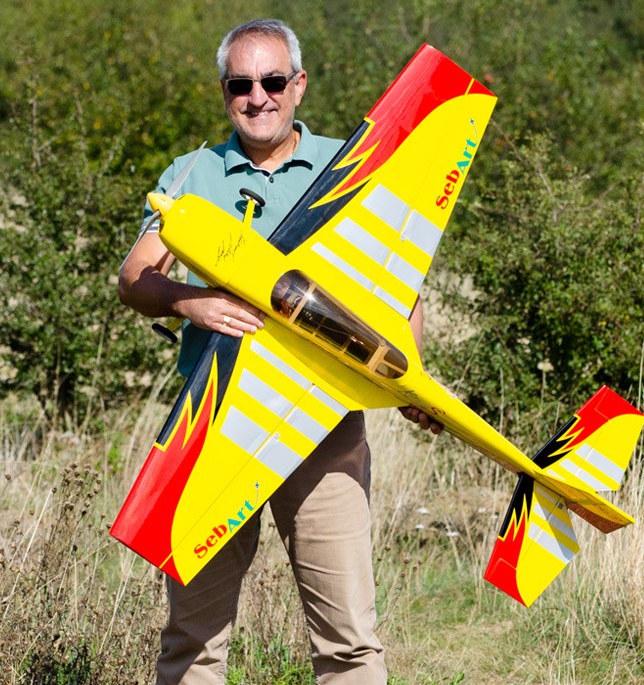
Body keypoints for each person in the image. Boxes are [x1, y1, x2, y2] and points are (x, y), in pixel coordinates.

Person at [118, 19, 441, 684]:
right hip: (215, 422)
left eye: (272, 81)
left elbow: (396, 292)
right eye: (242, 83)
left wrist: (411, 379)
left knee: (349, 637)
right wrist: (189, 301)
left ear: (298, 85)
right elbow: (134, 276)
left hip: (322, 425)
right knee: (192, 636)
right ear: (225, 90)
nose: (257, 97)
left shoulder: (348, 166)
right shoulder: (191, 172)